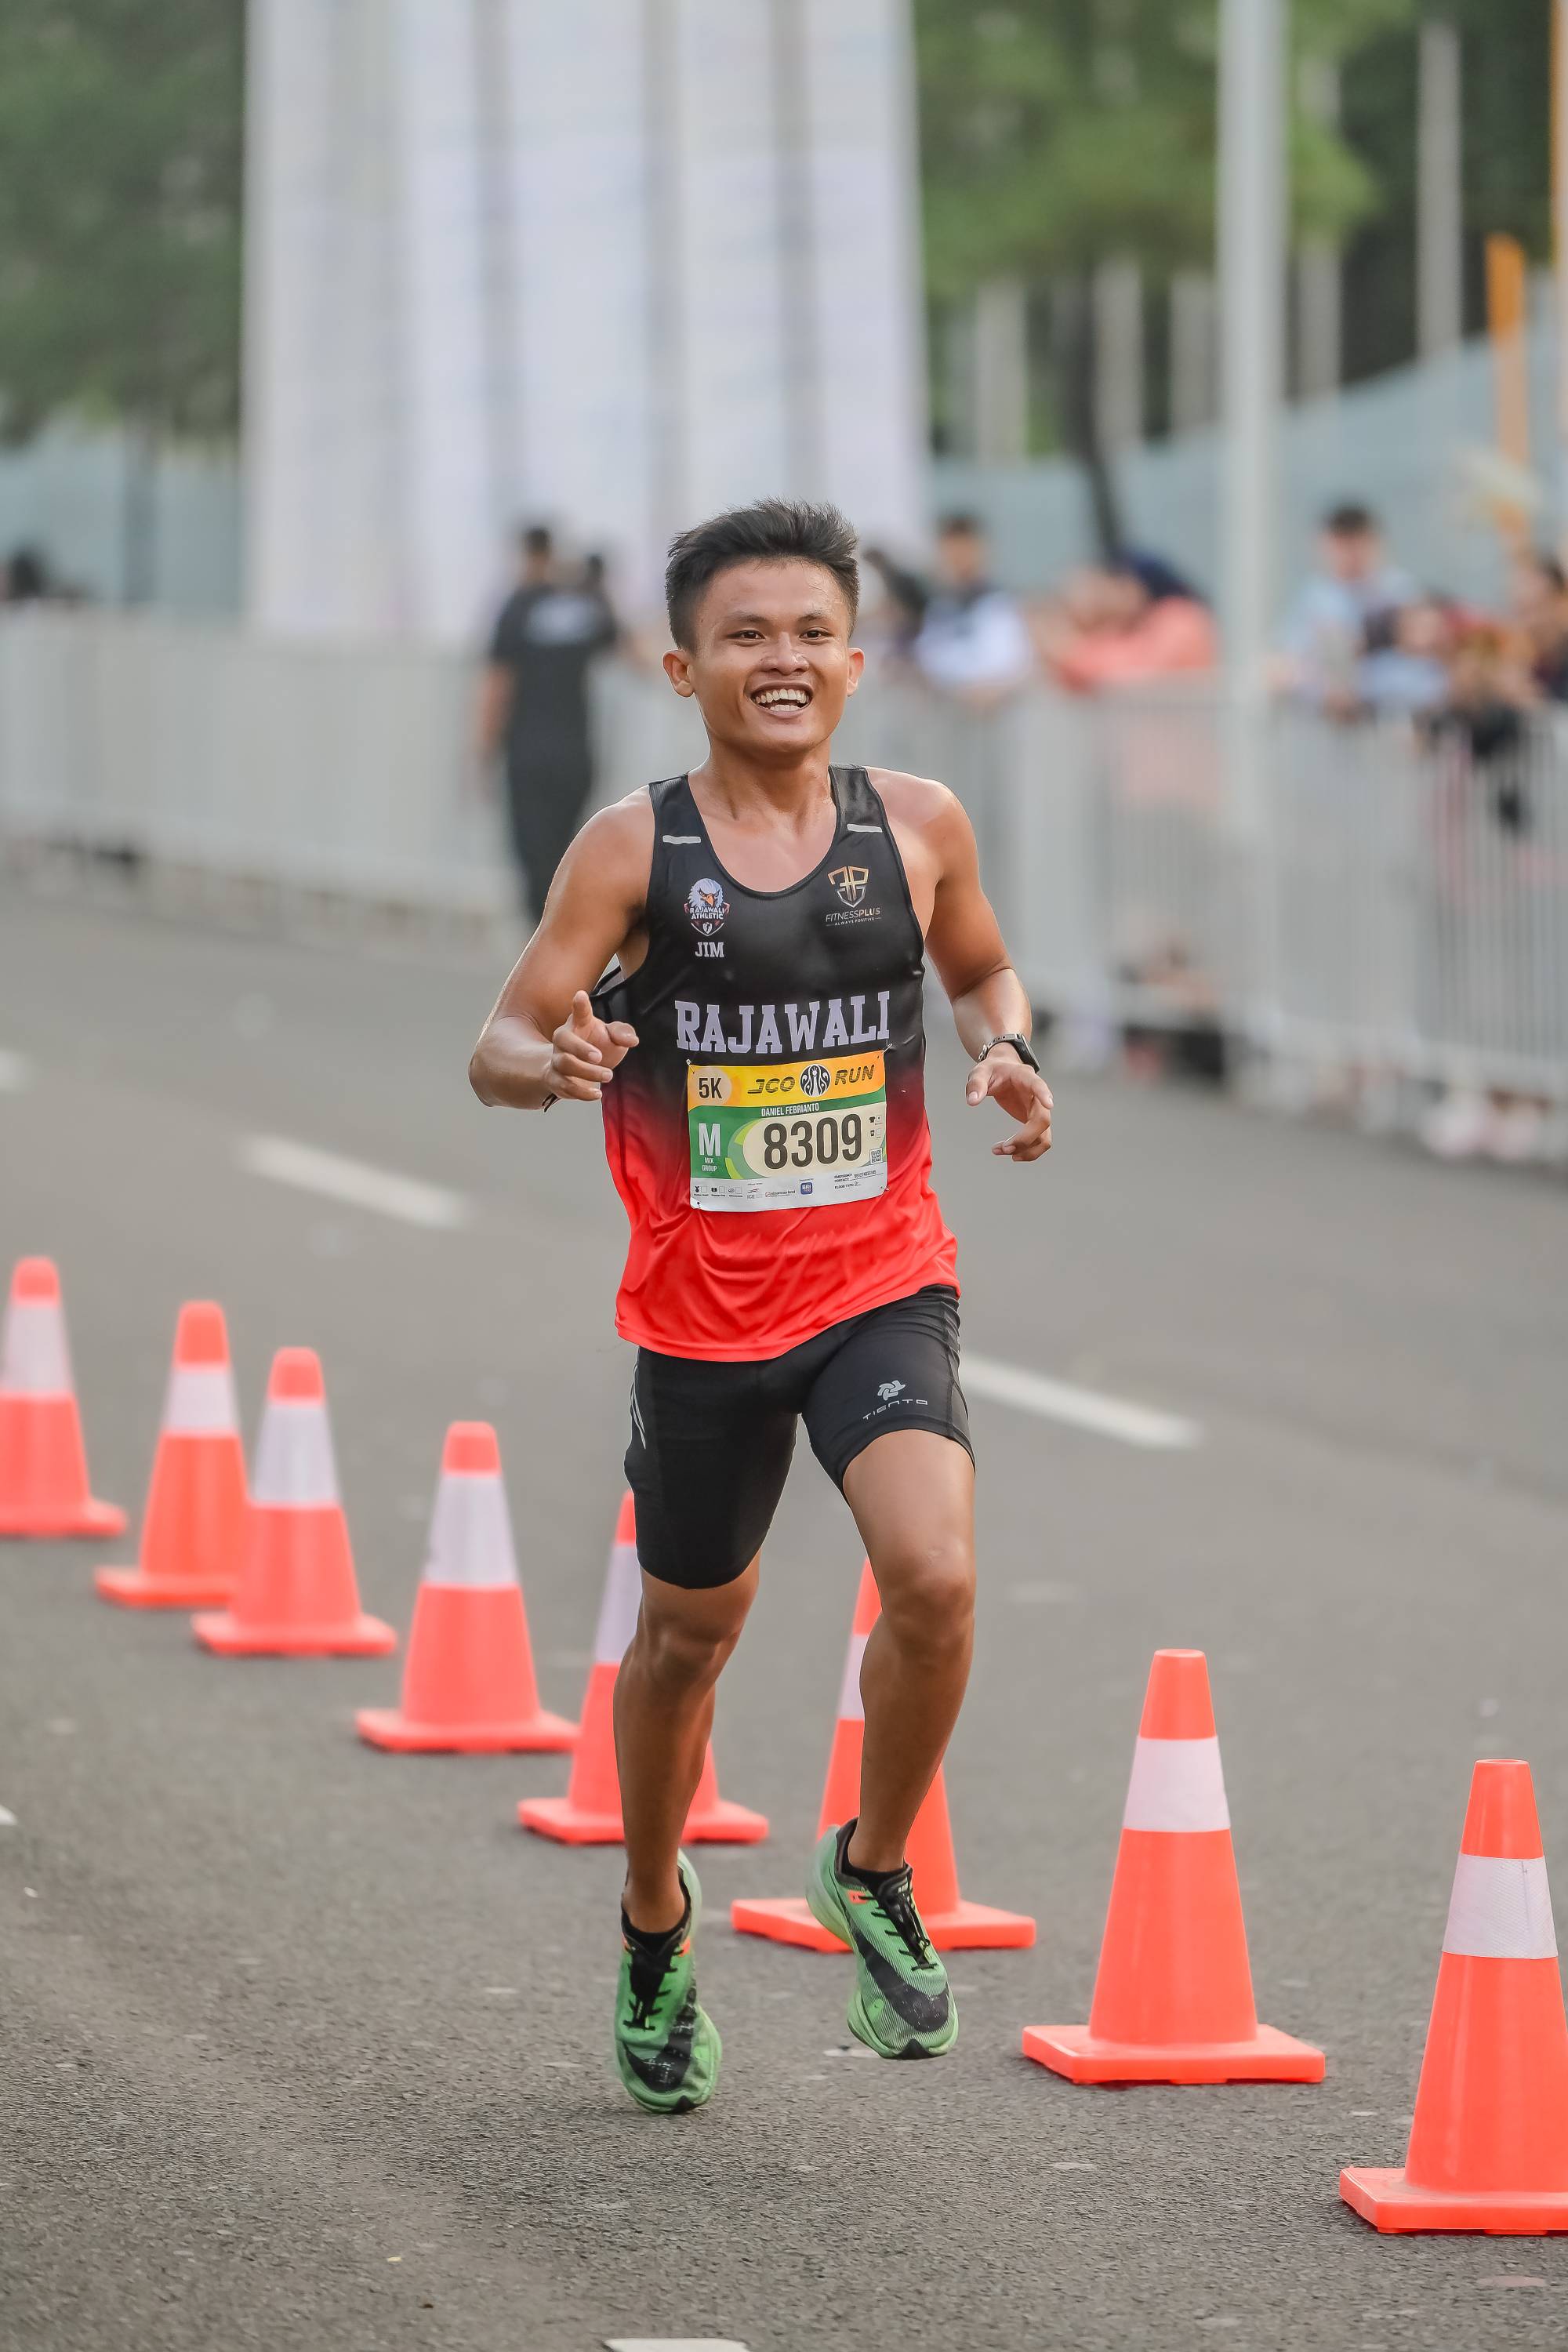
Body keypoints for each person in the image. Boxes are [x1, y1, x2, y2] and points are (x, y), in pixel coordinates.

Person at [470, 499, 1053, 2114]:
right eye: (745, 635)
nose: (781, 660)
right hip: (703, 1315)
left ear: (856, 662)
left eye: (811, 633)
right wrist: (552, 1058)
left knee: (935, 1575)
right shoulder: (631, 849)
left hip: (882, 1281)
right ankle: (655, 1919)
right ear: (683, 667)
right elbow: (497, 1042)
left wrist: (1006, 1047)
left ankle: (869, 1867)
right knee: (686, 1641)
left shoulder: (917, 825)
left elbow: (982, 972)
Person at [477, 524, 621, 920]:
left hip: (528, 752)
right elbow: (622, 643)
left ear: (525, 553)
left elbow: (498, 684)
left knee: (532, 853)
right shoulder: (583, 604)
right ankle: (563, 930)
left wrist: (483, 751)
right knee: (565, 848)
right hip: (576, 752)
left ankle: (543, 936)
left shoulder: (517, 607)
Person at [1276, 502, 1415, 716]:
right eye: (1342, 546)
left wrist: (1359, 689)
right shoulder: (1315, 598)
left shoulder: (1400, 595)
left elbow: (1421, 673)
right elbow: (1286, 664)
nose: (1350, 555)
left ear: (1374, 543)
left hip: (1391, 718)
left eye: (1356, 545)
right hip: (1324, 722)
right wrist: (1322, 686)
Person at [1032, 551, 1217, 692]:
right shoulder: (1141, 625)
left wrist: (1069, 653)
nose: (1110, 596)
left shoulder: (1179, 618)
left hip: (1175, 728)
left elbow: (1139, 675)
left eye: (1118, 586)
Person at [910, 514, 1035, 701]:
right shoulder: (939, 607)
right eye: (951, 551)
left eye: (963, 549)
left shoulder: (1000, 603)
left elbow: (1015, 663)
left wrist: (991, 688)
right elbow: (931, 657)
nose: (957, 558)